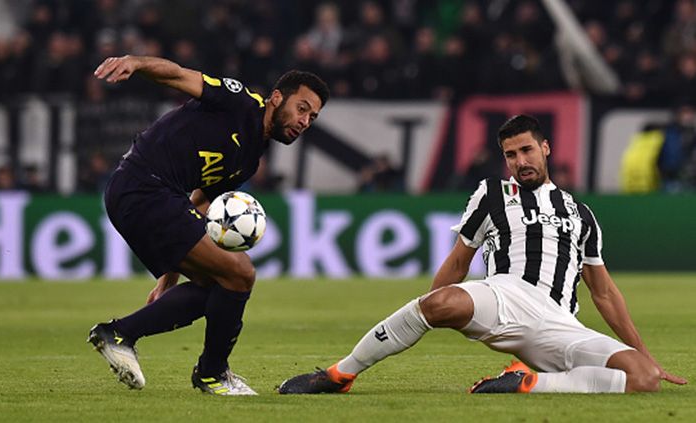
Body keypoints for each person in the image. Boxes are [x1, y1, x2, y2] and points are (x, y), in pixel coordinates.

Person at [278, 115, 687, 395]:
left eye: (527, 151)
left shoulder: (581, 214)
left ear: (545, 148)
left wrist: (645, 353)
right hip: (506, 296)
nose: (520, 162)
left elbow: (604, 293)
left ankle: (527, 383)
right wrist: (427, 311)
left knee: (644, 378)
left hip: (561, 323)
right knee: (441, 301)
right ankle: (340, 373)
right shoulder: (492, 193)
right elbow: (459, 259)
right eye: (511, 155)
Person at [86, 55, 329, 395]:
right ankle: (212, 373)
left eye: (312, 117)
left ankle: (121, 333)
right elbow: (179, 76)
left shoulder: (249, 159)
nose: (304, 121)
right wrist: (137, 63)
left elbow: (197, 204)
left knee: (220, 286)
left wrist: (169, 276)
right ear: (277, 97)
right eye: (302, 108)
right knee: (240, 273)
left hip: (149, 197)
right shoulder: (239, 102)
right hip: (144, 186)